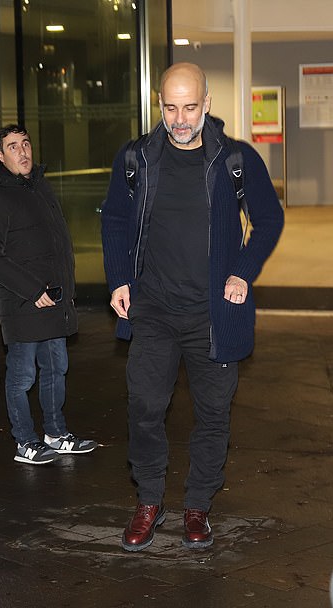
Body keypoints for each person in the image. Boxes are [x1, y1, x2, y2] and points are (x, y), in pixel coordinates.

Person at [101, 63, 284, 551]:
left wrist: (243, 271)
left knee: (213, 414)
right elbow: (116, 220)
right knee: (144, 408)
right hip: (154, 310)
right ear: (159, 105)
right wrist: (119, 278)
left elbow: (267, 219)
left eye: (189, 107)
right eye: (170, 107)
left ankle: (198, 504)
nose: (180, 119)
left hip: (213, 317)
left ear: (206, 104)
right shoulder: (136, 158)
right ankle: (150, 500)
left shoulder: (235, 159)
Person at [0, 124, 98, 465]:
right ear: (1, 156)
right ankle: (25, 441)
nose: (23, 151)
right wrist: (32, 291)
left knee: (57, 367)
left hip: (54, 298)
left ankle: (56, 433)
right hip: (22, 301)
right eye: (13, 147)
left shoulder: (39, 187)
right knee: (23, 374)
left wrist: (66, 292)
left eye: (26, 143)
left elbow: (58, 245)